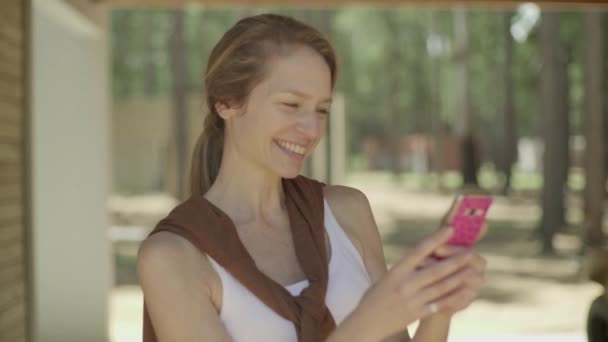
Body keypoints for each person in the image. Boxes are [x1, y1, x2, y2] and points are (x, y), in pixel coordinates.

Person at [137, 13, 486, 342]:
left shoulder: (347, 213)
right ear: (226, 102)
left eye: (322, 110)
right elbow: (370, 327)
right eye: (291, 105)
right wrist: (367, 322)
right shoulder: (173, 257)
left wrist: (440, 299)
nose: (312, 129)